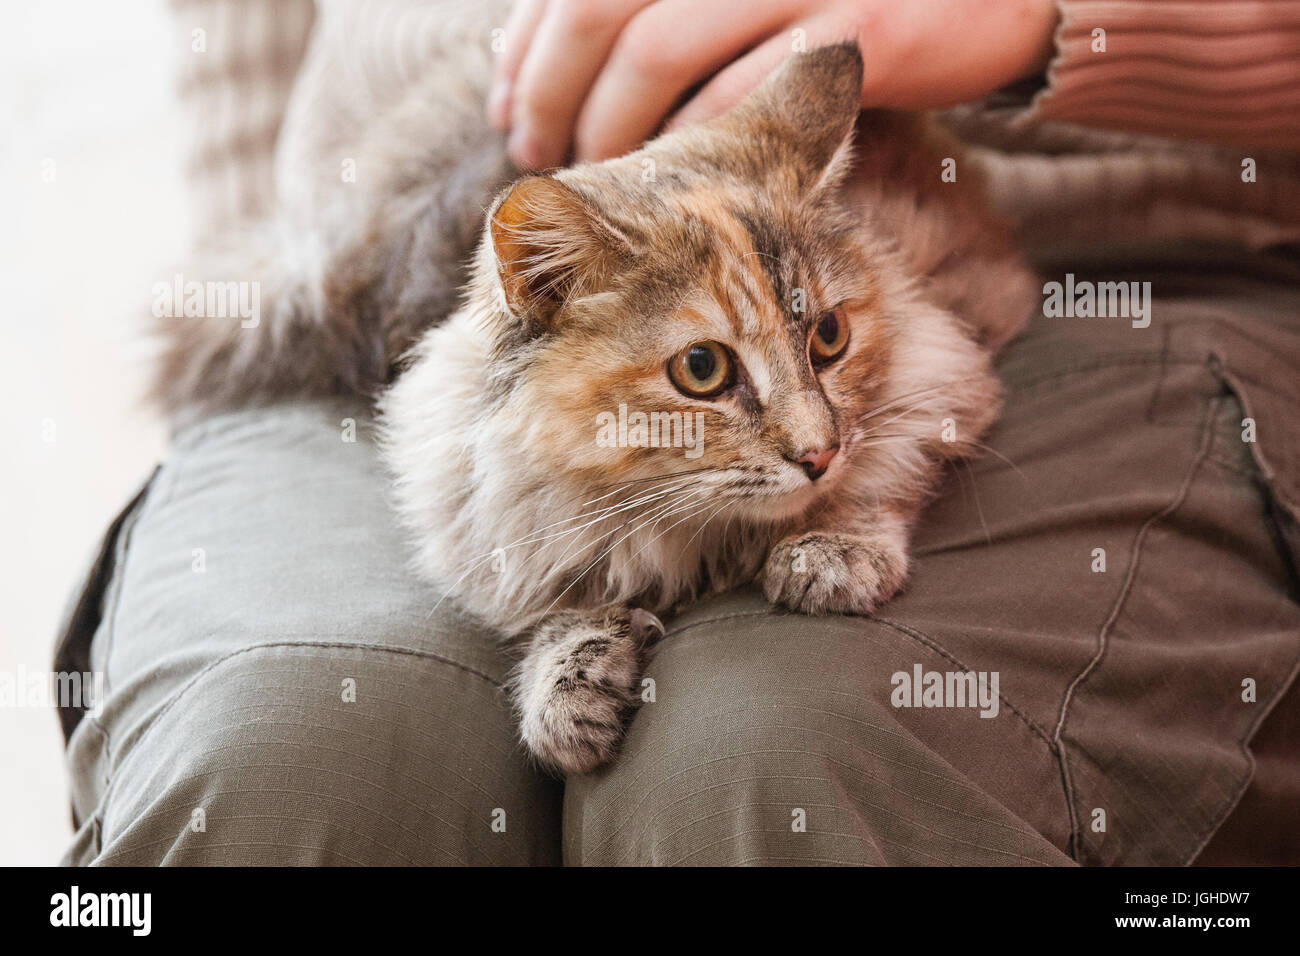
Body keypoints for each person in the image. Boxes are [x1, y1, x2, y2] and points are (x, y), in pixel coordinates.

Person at [56, 0, 1300, 865]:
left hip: (1125, 259)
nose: (813, 441)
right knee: (292, 751)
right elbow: (246, 50)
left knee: (767, 754)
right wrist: (278, 280)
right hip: (389, 262)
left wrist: (1049, 20)